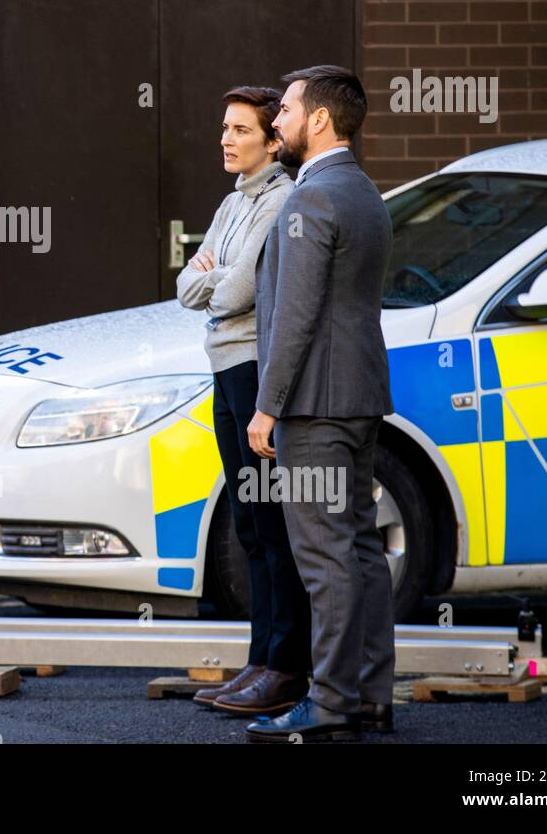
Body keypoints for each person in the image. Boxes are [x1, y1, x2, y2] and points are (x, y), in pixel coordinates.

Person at [244, 65, 395, 743]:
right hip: (359, 397)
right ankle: (368, 695)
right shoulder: (363, 193)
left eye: (288, 109)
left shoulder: (309, 201)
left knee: (325, 556)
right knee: (360, 549)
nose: (277, 120)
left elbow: (296, 316)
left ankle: (331, 702)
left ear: (321, 120)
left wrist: (267, 406)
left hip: (312, 406)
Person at [176, 86, 310, 717]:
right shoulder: (235, 202)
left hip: (253, 369)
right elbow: (186, 285)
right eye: (223, 128)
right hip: (224, 368)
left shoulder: (281, 200)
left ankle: (285, 668)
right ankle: (260, 661)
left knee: (272, 523)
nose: (226, 140)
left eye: (240, 130)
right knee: (251, 525)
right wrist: (205, 277)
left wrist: (207, 276)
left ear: (272, 141)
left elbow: (233, 292)